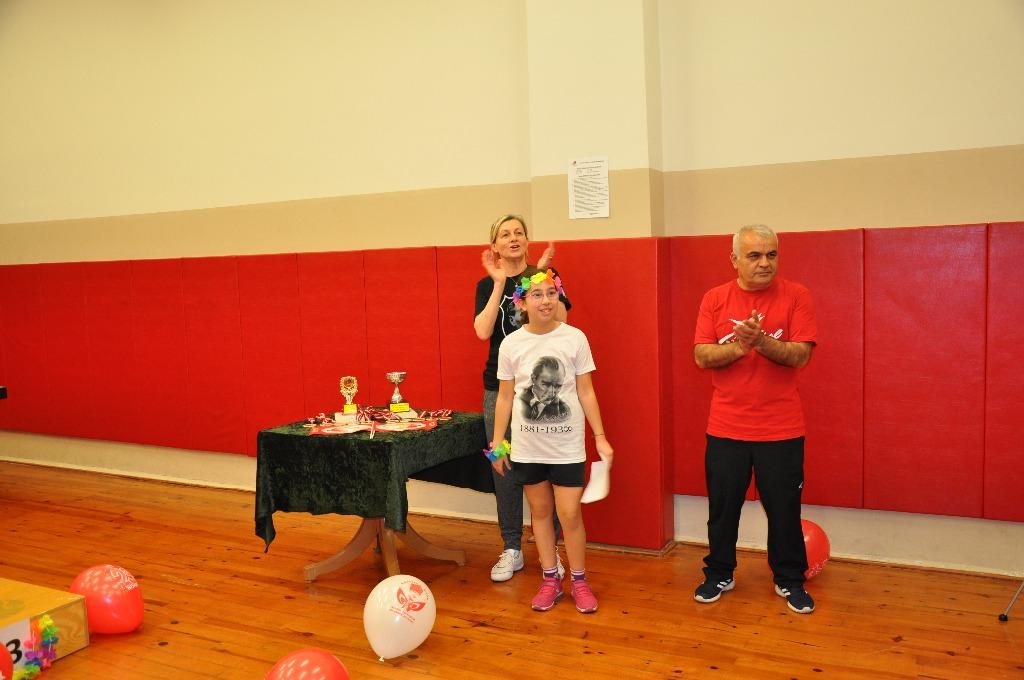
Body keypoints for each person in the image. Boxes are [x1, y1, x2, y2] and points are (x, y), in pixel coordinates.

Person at [692, 224, 818, 614]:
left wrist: (761, 341)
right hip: (726, 428)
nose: (765, 263)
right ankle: (719, 573)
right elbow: (701, 355)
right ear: (735, 260)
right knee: (722, 509)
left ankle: (789, 579)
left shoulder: (797, 295)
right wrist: (740, 347)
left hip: (782, 429)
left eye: (771, 254)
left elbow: (801, 354)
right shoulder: (715, 299)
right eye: (754, 255)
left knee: (784, 511)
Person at [488, 269, 613, 613]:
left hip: (567, 447)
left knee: (569, 515)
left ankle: (579, 581)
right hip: (528, 449)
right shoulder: (511, 344)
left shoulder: (575, 338)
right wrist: (497, 443)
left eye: (551, 293)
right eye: (537, 294)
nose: (545, 301)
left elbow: (586, 392)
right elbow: (505, 397)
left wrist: (600, 437)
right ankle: (549, 579)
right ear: (522, 303)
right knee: (541, 513)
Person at [474, 214, 570, 582]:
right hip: (498, 391)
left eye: (519, 232)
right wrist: (500, 282)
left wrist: (541, 279)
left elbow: (562, 319)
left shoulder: (544, 276)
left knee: (546, 466)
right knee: (501, 463)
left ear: (527, 241)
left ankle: (551, 548)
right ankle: (511, 546)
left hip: (540, 391)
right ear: (495, 246)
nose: (513, 238)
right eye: (505, 234)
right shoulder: (487, 284)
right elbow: (482, 331)